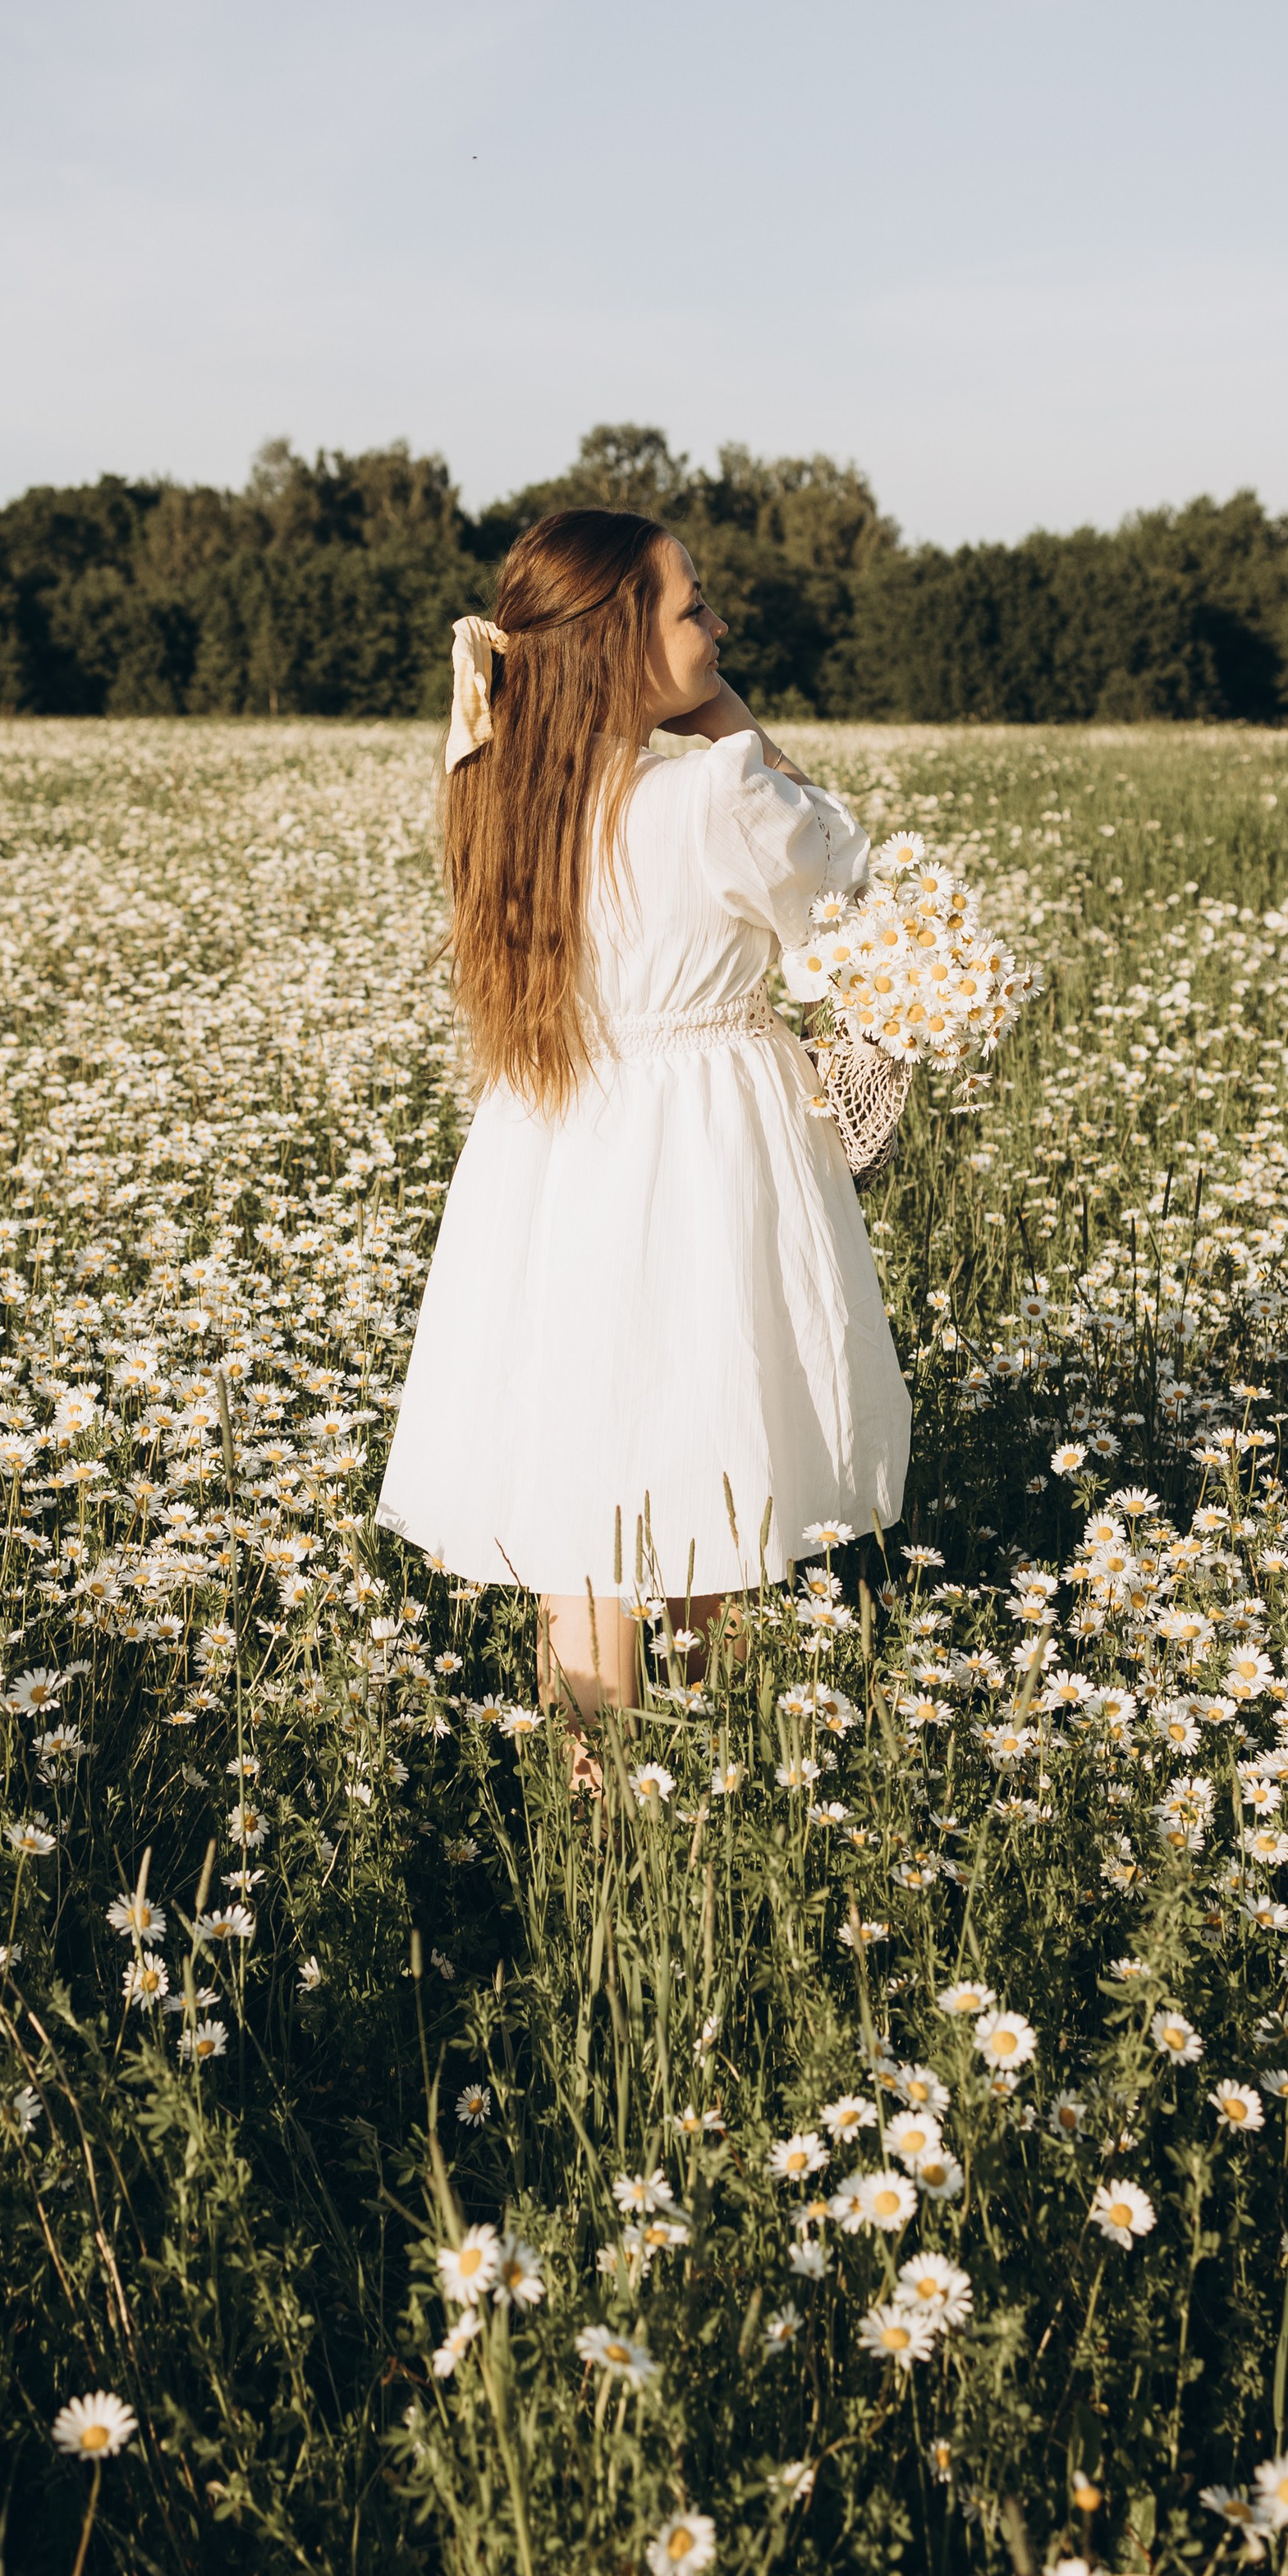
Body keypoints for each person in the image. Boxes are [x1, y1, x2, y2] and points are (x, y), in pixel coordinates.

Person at [374, 506, 910, 1767]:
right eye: (693, 609)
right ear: (622, 644)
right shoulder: (718, 796)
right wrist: (728, 717)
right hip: (706, 1147)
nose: (719, 626)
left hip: (551, 1149)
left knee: (583, 1439)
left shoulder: (496, 792)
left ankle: (593, 1785)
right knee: (711, 1415)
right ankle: (710, 1747)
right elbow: (850, 895)